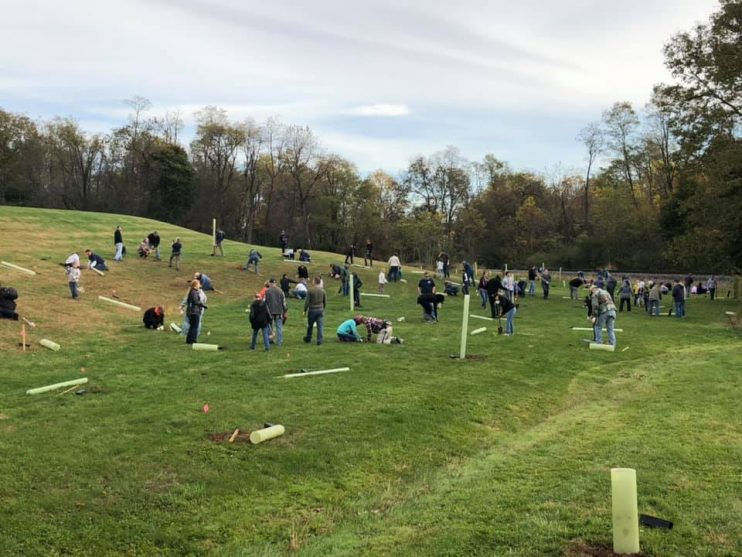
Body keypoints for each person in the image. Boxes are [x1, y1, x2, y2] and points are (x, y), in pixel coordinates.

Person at [264, 278, 288, 346]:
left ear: (270, 283)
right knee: (279, 327)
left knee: (270, 327)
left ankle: (270, 340)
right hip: (279, 312)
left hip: (270, 312)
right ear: (275, 283)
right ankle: (279, 342)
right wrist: (285, 311)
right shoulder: (280, 291)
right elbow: (284, 302)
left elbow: (265, 302)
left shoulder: (267, 291)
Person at [303, 276, 326, 345]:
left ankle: (309, 337)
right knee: (320, 326)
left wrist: (305, 310)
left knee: (310, 325)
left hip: (312, 310)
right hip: (320, 309)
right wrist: (323, 308)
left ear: (315, 282)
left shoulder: (310, 290)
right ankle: (320, 340)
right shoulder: (323, 291)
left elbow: (307, 301)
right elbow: (325, 301)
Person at [185, 279, 207, 344]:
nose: (199, 285)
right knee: (195, 327)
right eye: (198, 284)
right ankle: (193, 340)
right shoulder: (194, 292)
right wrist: (203, 305)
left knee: (192, 326)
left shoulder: (192, 291)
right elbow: (196, 301)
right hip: (194, 312)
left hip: (191, 312)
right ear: (195, 285)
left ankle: (189, 340)